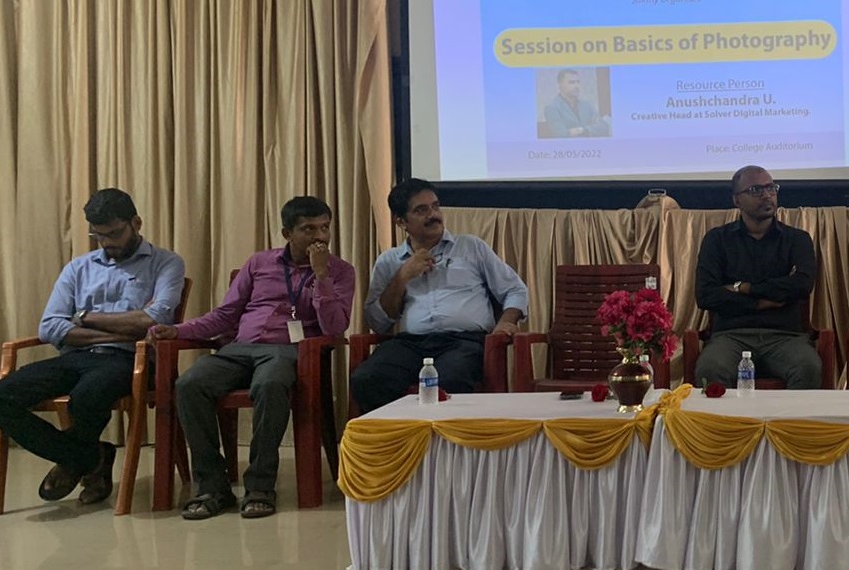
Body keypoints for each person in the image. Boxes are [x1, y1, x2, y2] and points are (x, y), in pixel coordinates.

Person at [151, 196, 355, 520]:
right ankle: (212, 487)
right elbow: (225, 314)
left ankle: (260, 487)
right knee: (190, 384)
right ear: (287, 233)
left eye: (325, 228)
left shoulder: (340, 271)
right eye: (309, 229)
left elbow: (335, 327)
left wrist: (321, 277)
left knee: (270, 384)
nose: (320, 237)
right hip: (239, 348)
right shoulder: (259, 263)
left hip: (288, 352)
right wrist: (177, 330)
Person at [0, 189, 185, 507]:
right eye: (98, 235)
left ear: (136, 223)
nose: (106, 242)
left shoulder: (166, 263)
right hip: (75, 357)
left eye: (114, 233)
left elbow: (154, 320)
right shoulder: (78, 268)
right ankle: (90, 456)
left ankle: (78, 458)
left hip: (130, 359)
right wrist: (119, 331)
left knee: (86, 397)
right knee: (4, 396)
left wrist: (84, 317)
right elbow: (50, 327)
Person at [351, 179, 529, 413]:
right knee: (367, 378)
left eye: (435, 206)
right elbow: (378, 322)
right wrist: (402, 277)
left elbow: (515, 290)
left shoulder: (471, 247)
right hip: (410, 344)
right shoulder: (388, 261)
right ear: (401, 221)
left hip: (464, 342)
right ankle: (400, 435)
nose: (433, 215)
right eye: (421, 210)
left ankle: (440, 437)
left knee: (449, 380)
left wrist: (506, 321)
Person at [693, 165, 820, 388]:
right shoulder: (717, 240)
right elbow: (706, 295)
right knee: (710, 369)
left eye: (771, 188)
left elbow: (801, 285)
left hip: (785, 337)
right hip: (731, 336)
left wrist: (744, 288)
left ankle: (792, 415)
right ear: (737, 200)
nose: (767, 195)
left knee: (808, 367)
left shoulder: (797, 239)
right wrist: (761, 302)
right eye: (756, 190)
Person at [543, 69, 610, 137]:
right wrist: (592, 131)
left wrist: (582, 130)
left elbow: (604, 128)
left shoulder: (587, 105)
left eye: (578, 82)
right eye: (571, 82)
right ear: (560, 85)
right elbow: (562, 135)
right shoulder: (552, 108)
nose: (577, 86)